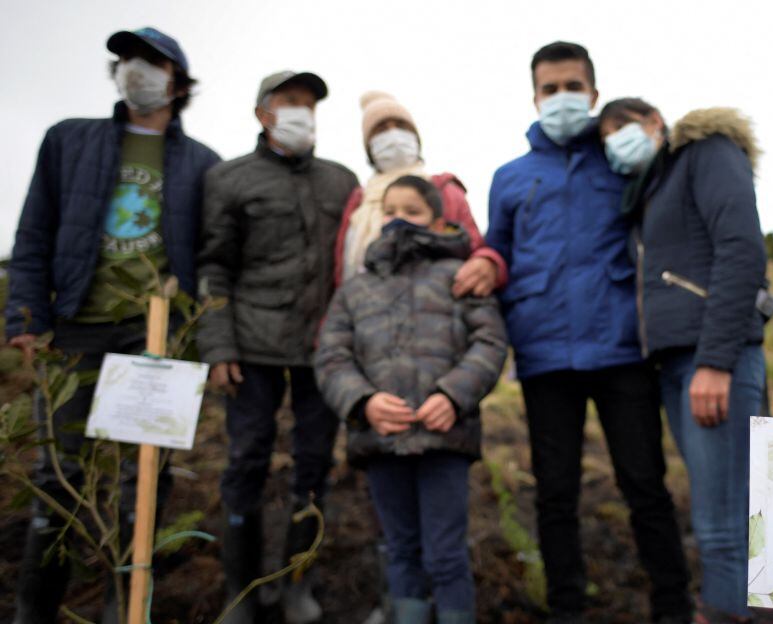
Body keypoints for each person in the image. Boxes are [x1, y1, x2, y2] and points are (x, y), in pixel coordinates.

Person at [4, 26, 219, 624]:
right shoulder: (68, 141)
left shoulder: (203, 164)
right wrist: (25, 315)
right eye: (126, 60)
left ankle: (121, 607)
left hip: (154, 339)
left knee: (143, 480)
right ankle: (33, 609)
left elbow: (211, 258)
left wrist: (201, 338)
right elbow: (34, 233)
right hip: (77, 328)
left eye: (151, 62)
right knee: (59, 476)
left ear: (178, 80)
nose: (136, 70)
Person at [486, 42, 691, 623]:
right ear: (534, 97)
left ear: (594, 94)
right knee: (556, 493)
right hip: (544, 355)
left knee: (645, 485)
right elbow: (497, 255)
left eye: (572, 86)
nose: (561, 98)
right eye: (550, 89)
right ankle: (566, 607)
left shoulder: (623, 164)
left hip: (623, 350)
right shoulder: (509, 178)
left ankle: (672, 605)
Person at [196, 70, 358, 624]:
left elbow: (349, 266)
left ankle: (297, 583)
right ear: (263, 112)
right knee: (246, 460)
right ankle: (240, 590)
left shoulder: (341, 180)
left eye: (309, 104)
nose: (301, 112)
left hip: (322, 350)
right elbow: (214, 266)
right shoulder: (230, 179)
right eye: (290, 102)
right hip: (252, 346)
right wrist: (218, 348)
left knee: (314, 464)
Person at [598, 98, 767, 624]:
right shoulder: (646, 192)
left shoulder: (706, 152)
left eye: (624, 126)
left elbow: (740, 248)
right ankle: (721, 608)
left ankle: (724, 613)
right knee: (713, 511)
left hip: (713, 357)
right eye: (607, 137)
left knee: (724, 523)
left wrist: (716, 361)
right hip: (674, 363)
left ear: (655, 122)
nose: (616, 141)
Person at [316, 175, 507, 624]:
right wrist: (363, 403)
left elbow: (490, 343)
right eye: (391, 210)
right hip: (381, 443)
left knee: (445, 553)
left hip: (445, 441)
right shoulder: (356, 290)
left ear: (439, 222)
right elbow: (331, 356)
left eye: (413, 211)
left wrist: (452, 395)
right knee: (400, 550)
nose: (399, 220)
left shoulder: (457, 278)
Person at [334, 91, 506, 297]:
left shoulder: (445, 191)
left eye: (401, 126)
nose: (393, 135)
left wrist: (487, 262)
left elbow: (475, 246)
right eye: (381, 129)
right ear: (369, 145)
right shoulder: (357, 203)